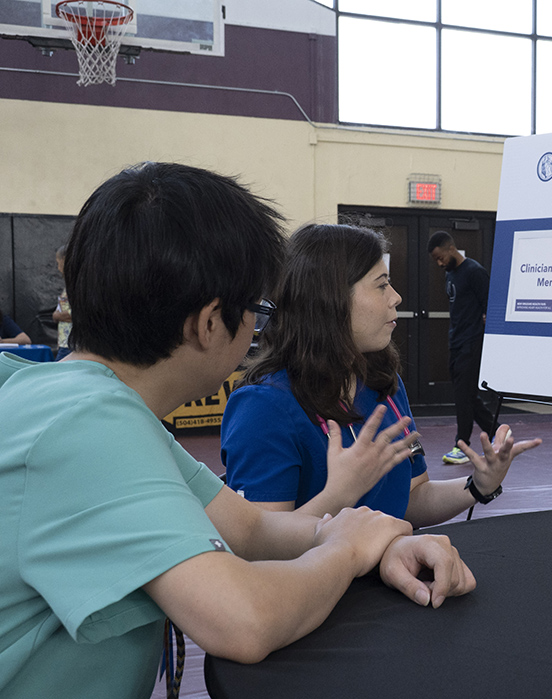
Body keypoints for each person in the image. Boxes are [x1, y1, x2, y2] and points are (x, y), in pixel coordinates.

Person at [0, 163, 475, 699]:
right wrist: (346, 553)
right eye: (256, 308)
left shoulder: (87, 402)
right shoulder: (86, 424)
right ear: (209, 324)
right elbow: (242, 621)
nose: (258, 324)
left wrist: (369, 540)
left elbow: (247, 529)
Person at [221, 223, 540, 526]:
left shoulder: (381, 381)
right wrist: (339, 495)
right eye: (382, 285)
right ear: (330, 300)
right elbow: (260, 546)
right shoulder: (263, 407)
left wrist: (478, 485)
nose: (396, 297)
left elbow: (412, 499)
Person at [426, 231, 495, 464]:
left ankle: (462, 445)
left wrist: (482, 338)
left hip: (472, 342)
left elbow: (489, 308)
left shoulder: (475, 272)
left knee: (463, 396)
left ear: (450, 249)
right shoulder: (450, 275)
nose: (439, 263)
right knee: (468, 396)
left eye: (440, 257)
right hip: (455, 341)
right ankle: (497, 433)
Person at [53, 245, 73, 360]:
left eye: (58, 262)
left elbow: (82, 313)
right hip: (64, 343)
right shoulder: (68, 285)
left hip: (71, 344)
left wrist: (58, 315)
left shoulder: (77, 284)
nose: (58, 267)